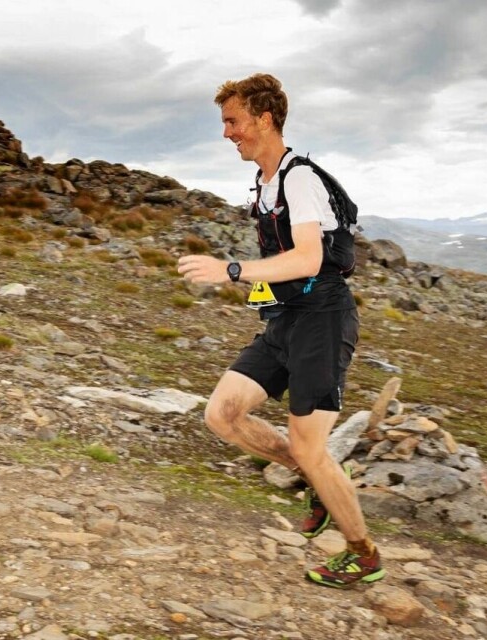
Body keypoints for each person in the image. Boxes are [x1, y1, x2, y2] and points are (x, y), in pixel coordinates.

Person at [177, 73, 384, 588]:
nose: (227, 133)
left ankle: (363, 553)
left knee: (312, 448)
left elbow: (311, 258)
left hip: (323, 321)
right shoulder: (266, 184)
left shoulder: (299, 179)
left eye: (233, 121)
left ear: (264, 118)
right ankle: (315, 479)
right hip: (285, 320)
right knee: (222, 415)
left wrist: (232, 270)